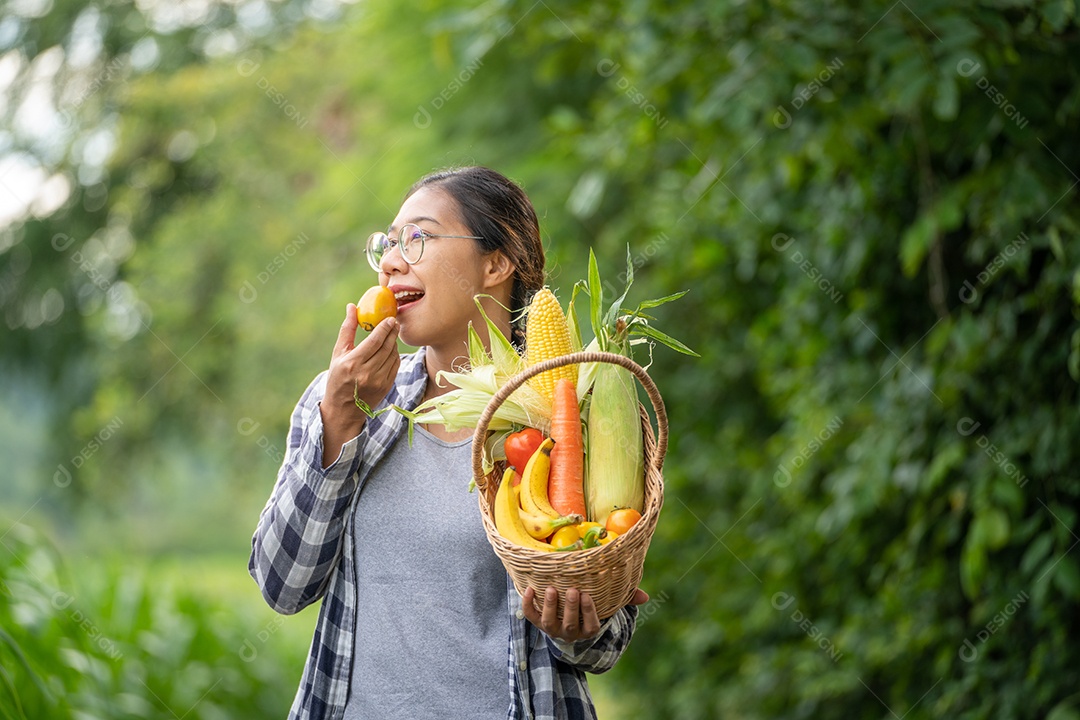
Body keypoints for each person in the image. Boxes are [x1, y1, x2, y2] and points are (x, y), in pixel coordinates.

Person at [249, 166, 648, 720]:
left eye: (418, 237)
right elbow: (282, 585)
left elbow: (605, 644)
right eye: (388, 244)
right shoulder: (343, 399)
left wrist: (577, 625)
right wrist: (338, 425)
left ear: (495, 263)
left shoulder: (568, 414)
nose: (391, 261)